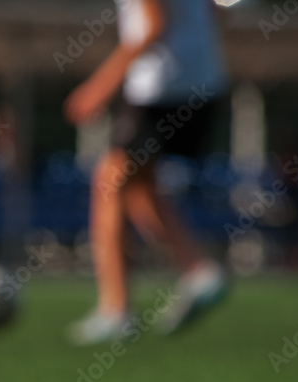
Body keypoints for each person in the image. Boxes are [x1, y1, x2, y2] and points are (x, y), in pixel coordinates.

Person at [64, 0, 230, 345]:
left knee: (108, 181)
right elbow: (217, 10)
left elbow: (152, 24)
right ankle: (199, 270)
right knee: (138, 185)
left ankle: (116, 310)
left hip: (163, 88)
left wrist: (99, 87)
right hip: (204, 81)